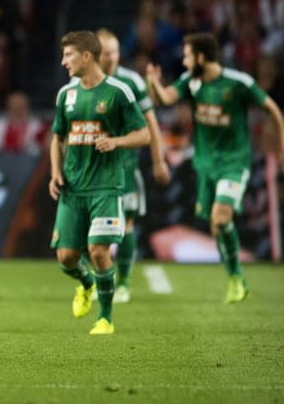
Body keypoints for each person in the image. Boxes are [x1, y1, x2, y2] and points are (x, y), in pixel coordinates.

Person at [146, 32, 284, 304]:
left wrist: (281, 146)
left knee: (221, 218)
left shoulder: (239, 82)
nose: (184, 62)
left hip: (233, 163)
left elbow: (273, 109)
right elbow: (164, 98)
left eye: (187, 56)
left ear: (200, 57)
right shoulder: (191, 82)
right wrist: (152, 83)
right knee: (216, 225)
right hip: (206, 167)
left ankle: (235, 278)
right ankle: (235, 276)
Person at [49, 31, 150, 334]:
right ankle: (87, 283)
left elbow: (143, 134)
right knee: (66, 257)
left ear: (86, 56)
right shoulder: (65, 95)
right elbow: (57, 138)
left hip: (106, 186)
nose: (63, 61)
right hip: (73, 187)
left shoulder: (119, 91)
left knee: (98, 251)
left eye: (68, 55)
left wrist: (116, 141)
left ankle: (105, 317)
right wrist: (55, 171)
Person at [96, 28, 172, 303]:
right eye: (106, 53)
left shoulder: (131, 82)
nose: (112, 58)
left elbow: (150, 122)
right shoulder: (83, 82)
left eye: (115, 52)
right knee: (93, 229)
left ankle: (124, 282)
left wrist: (158, 159)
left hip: (125, 166)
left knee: (126, 222)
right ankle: (101, 281)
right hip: (93, 171)